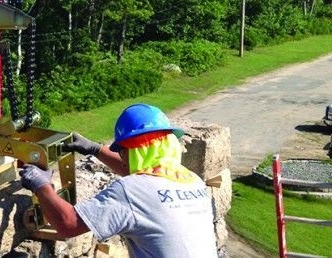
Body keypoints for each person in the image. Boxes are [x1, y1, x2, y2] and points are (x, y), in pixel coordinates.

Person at [19, 103, 216, 258]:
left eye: (123, 153)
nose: (122, 158)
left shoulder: (131, 191)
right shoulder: (192, 180)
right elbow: (140, 174)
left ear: (129, 152)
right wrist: (96, 149)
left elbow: (68, 224)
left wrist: (41, 185)